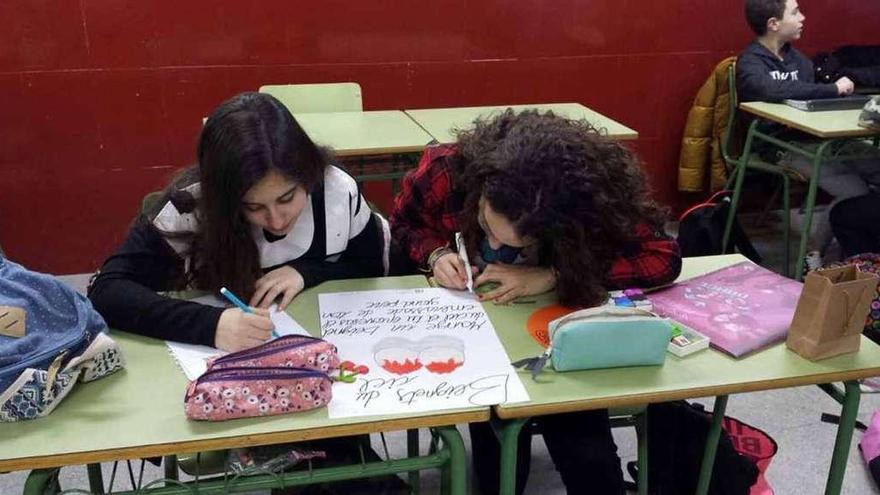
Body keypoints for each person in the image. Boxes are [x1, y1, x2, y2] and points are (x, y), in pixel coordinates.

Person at [389, 109, 682, 494]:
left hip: (553, 332)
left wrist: (554, 275)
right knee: (498, 455)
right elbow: (401, 225)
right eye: (486, 226)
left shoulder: (590, 197)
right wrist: (435, 254)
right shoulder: (447, 171)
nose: (492, 247)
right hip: (477, 336)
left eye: (517, 244)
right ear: (482, 188)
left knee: (585, 448)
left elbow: (662, 256)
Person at [88, 92, 385, 352]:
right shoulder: (191, 208)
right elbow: (107, 292)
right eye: (253, 206)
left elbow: (371, 268)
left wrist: (307, 271)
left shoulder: (335, 190)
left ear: (307, 172)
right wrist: (211, 325)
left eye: (287, 198)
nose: (276, 220)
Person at [736, 0, 880, 270]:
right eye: (795, 12)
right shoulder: (751, 62)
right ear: (773, 24)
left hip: (819, 140)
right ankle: (814, 256)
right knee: (854, 191)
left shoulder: (799, 61)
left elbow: (809, 96)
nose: (803, 17)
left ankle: (863, 248)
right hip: (779, 145)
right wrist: (833, 90)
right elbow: (768, 90)